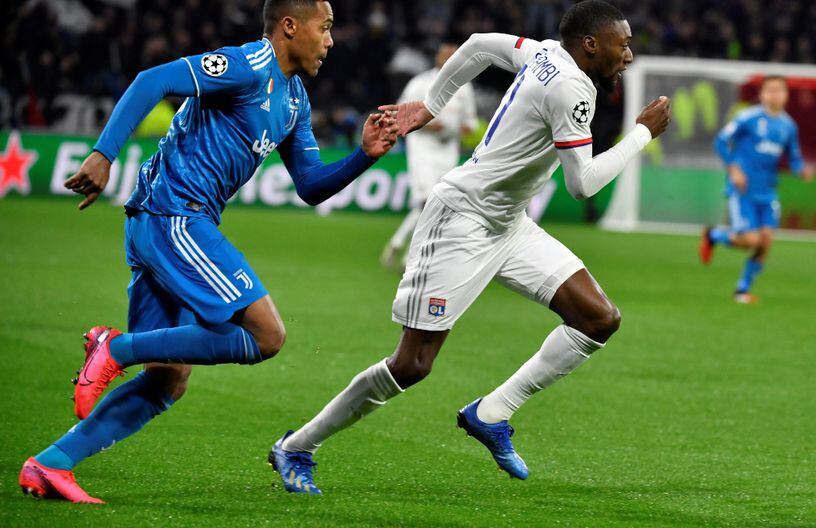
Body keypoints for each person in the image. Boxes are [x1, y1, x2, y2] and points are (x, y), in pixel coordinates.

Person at [269, 0, 670, 492]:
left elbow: (479, 46)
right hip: (461, 221)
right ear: (590, 44)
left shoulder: (545, 52)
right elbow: (582, 184)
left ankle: (491, 413)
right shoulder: (570, 89)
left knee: (598, 319)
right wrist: (642, 134)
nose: (628, 55)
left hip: (508, 223)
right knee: (411, 365)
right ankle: (296, 446)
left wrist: (431, 104)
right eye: (622, 44)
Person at [18, 0, 397, 503]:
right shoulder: (247, 64)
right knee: (266, 335)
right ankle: (113, 347)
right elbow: (153, 80)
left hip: (166, 223)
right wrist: (103, 154)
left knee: (167, 379)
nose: (330, 41)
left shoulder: (295, 100)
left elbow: (310, 184)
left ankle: (50, 464)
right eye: (324, 28)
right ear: (290, 26)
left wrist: (363, 156)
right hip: (174, 215)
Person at [700, 75, 813, 303]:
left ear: (786, 95)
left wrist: (801, 170)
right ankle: (713, 235)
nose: (774, 95)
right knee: (751, 240)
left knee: (766, 241)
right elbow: (721, 141)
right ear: (761, 94)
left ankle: (742, 290)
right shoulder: (747, 118)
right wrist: (734, 169)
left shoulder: (789, 126)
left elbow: (794, 158)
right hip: (743, 189)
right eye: (770, 90)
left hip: (768, 191)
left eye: (779, 90)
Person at [381, 42, 478, 270]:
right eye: (445, 55)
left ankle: (398, 245)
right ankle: (410, 255)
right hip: (422, 147)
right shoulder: (420, 83)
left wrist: (467, 128)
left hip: (448, 150)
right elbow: (400, 113)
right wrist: (427, 125)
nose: (449, 59)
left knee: (438, 202)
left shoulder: (465, 87)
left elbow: (471, 121)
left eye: (453, 56)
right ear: (437, 58)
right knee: (427, 201)